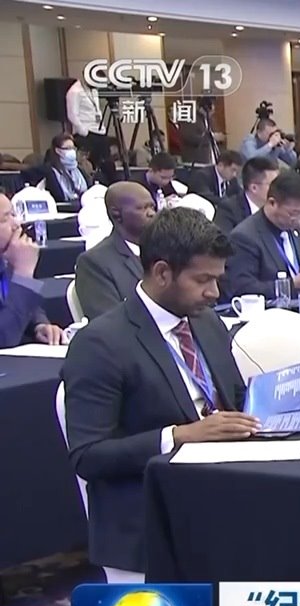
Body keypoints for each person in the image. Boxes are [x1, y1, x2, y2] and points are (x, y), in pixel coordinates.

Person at [62, 208, 254, 573]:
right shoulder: (100, 343)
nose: (214, 293)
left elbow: (235, 398)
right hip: (152, 509)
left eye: (218, 279)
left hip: (225, 486)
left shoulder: (206, 322)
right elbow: (88, 455)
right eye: (203, 280)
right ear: (162, 272)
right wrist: (178, 436)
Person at [223, 170, 300, 301]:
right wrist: (292, 285)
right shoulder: (244, 237)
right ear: (272, 203)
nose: (299, 219)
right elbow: (242, 288)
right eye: (294, 213)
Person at [74, 182, 157, 319]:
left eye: (152, 207)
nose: (152, 213)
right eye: (142, 208)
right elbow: (107, 320)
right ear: (116, 214)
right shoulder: (94, 262)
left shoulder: (164, 250)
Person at [0, 194, 61, 347]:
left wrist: (39, 325)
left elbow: (11, 301)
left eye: (13, 214)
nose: (17, 224)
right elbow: (3, 338)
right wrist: (24, 274)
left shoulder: (4, 259)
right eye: (5, 218)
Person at [213, 156, 278, 235]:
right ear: (254, 188)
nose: (278, 189)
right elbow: (222, 240)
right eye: (273, 184)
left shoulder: (277, 209)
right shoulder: (229, 209)